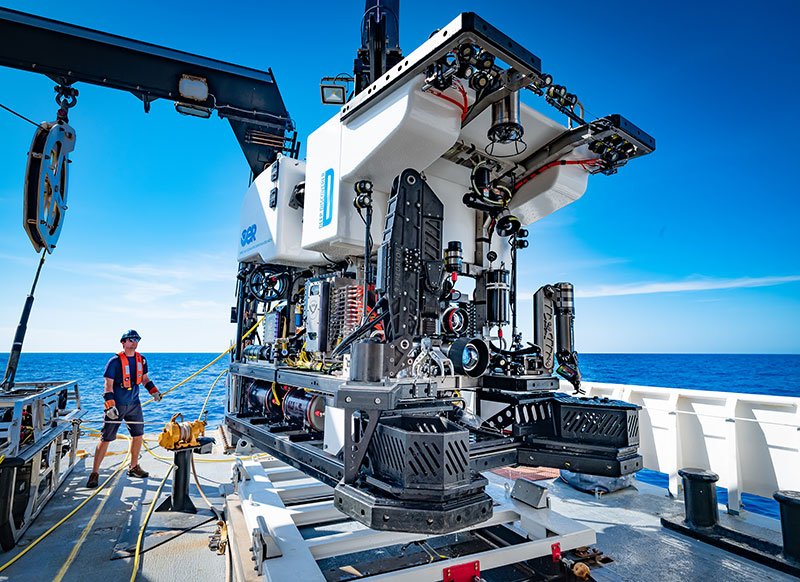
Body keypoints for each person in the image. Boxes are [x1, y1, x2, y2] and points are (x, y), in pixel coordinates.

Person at [86, 329, 163, 488]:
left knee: (138, 435)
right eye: (131, 339)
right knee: (106, 438)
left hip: (134, 404)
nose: (134, 342)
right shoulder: (114, 362)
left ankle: (133, 467)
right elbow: (108, 385)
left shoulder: (141, 360)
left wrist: (154, 392)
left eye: (137, 339)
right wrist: (110, 406)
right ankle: (94, 472)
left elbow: (144, 379)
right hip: (117, 405)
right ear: (123, 342)